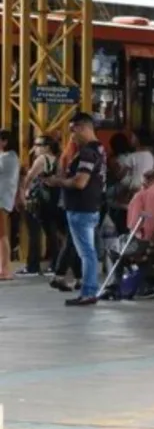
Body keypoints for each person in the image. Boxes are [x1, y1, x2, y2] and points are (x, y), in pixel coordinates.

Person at [46, 112, 106, 306]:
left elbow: (80, 182)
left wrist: (58, 181)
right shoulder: (100, 149)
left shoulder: (88, 152)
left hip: (81, 208)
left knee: (86, 253)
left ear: (83, 128)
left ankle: (89, 291)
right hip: (91, 206)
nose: (72, 135)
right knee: (87, 251)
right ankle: (89, 289)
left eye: (73, 130)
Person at [19, 135, 61, 275]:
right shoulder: (56, 159)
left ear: (47, 147)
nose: (35, 148)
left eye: (38, 144)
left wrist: (24, 192)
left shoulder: (42, 159)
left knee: (34, 232)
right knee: (51, 232)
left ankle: (33, 266)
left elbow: (30, 177)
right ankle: (55, 264)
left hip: (38, 200)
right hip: (52, 199)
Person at [0, 129, 19, 281]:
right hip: (4, 199)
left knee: (2, 235)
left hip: (1, 200)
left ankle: (4, 269)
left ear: (4, 141)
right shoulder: (11, 157)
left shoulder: (7, 158)